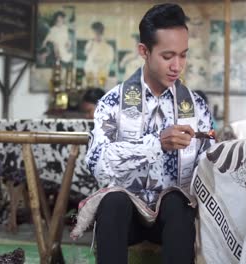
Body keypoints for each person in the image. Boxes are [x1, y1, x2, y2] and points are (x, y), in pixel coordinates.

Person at [83, 3, 214, 263]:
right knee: (113, 201)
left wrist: (226, 157)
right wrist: (155, 144)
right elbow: (97, 164)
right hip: (125, 219)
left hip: (173, 221)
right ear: (144, 51)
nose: (177, 66)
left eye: (183, 55)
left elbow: (208, 167)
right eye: (168, 56)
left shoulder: (195, 107)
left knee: (179, 203)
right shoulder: (114, 102)